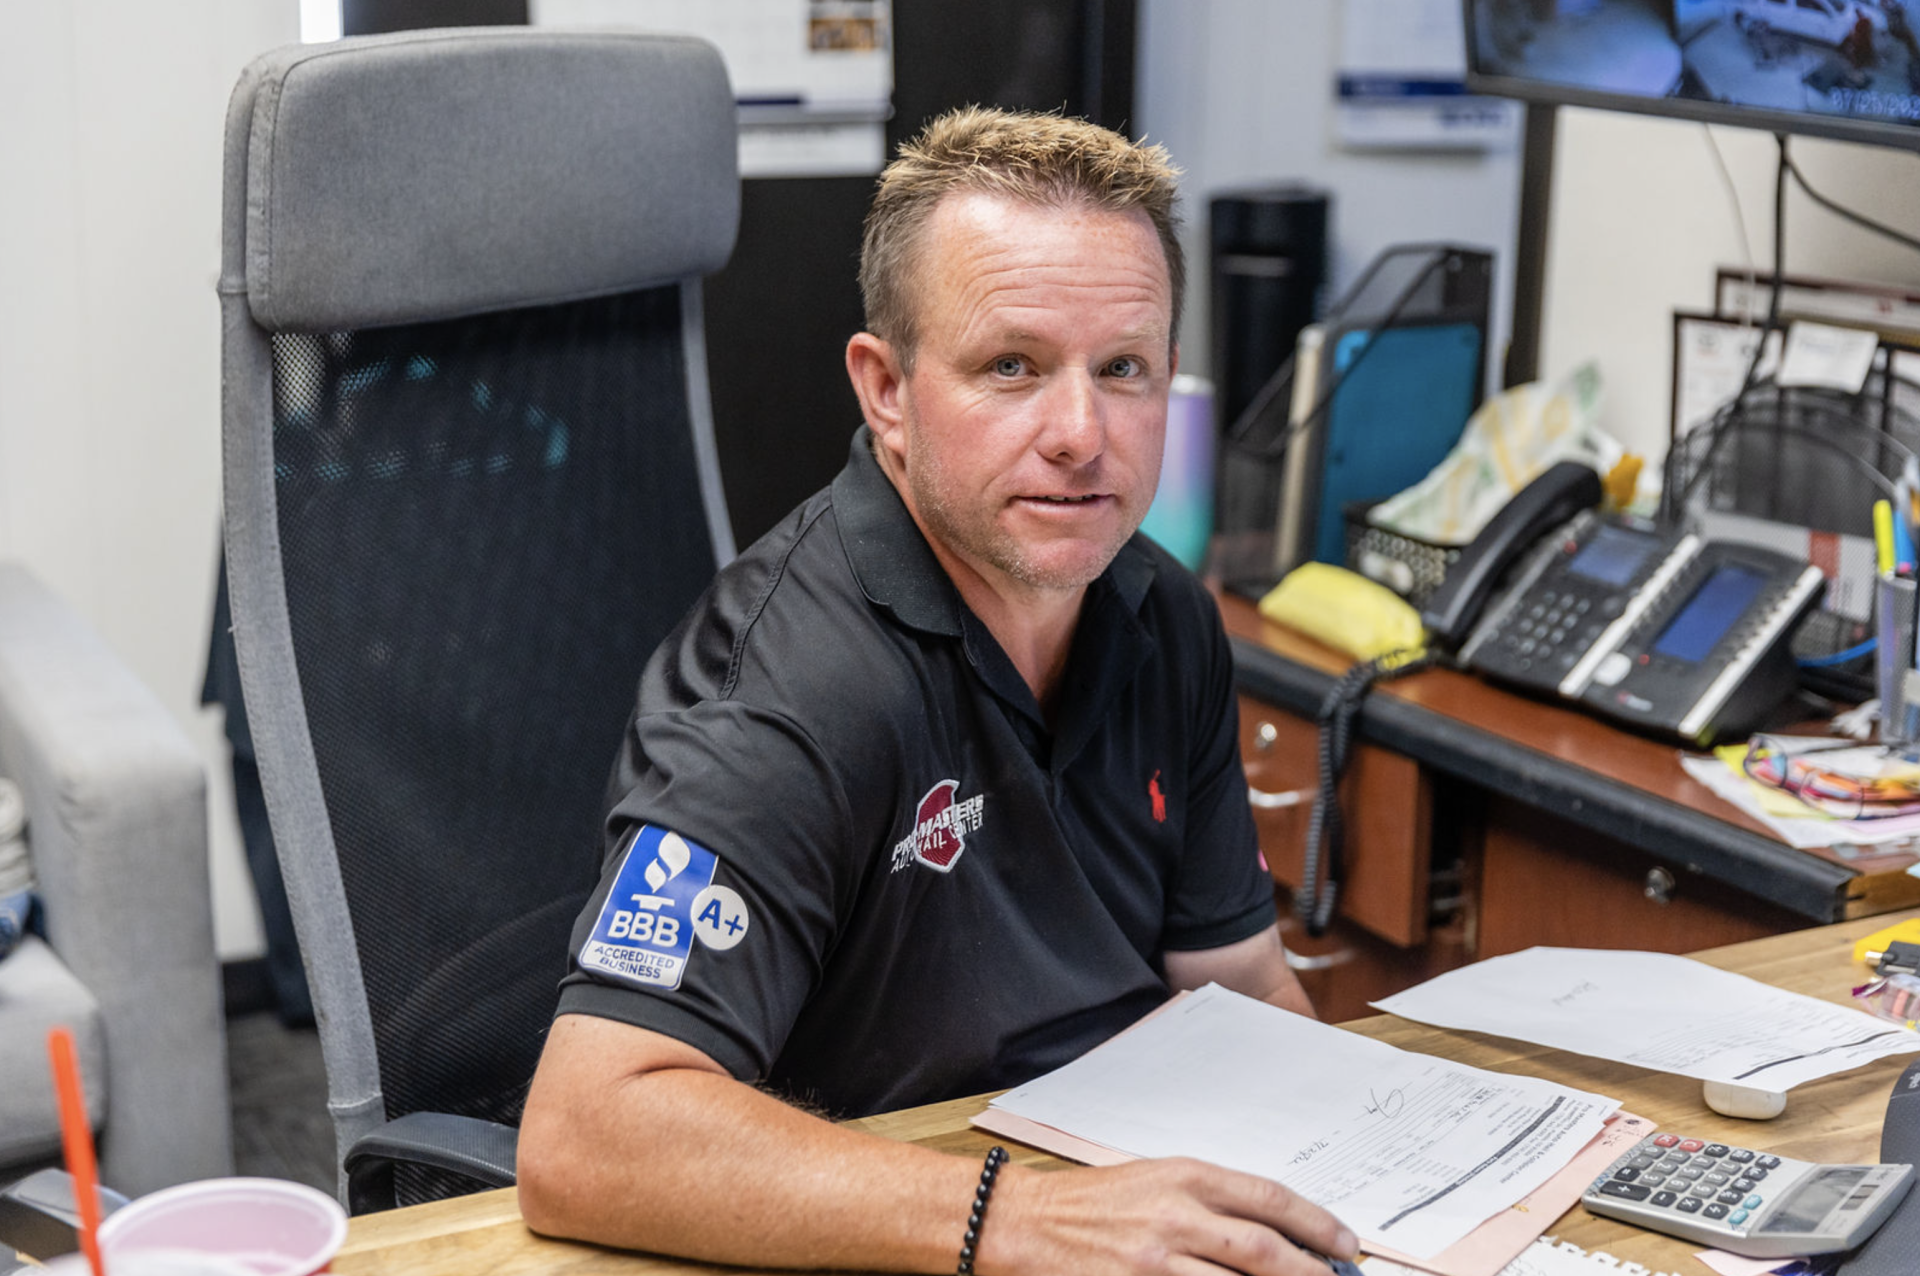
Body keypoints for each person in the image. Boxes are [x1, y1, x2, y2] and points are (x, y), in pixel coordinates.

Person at [518, 106, 1356, 1276]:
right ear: (888, 391)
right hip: (907, 1228)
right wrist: (1016, 1219)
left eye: (1124, 370)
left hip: (1111, 1200)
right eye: (1011, 366)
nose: (1082, 433)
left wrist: (1387, 1196)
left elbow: (1242, 982)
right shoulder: (795, 686)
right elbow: (586, 1133)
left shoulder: (1166, 616)